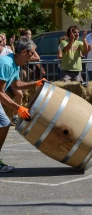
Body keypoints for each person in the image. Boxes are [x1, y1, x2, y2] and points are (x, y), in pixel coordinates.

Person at [0, 37, 46, 173]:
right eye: (32, 53)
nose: (33, 56)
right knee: (4, 123)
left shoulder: (15, 64)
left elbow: (16, 85)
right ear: (24, 52)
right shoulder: (7, 63)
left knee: (4, 123)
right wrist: (18, 108)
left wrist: (35, 83)